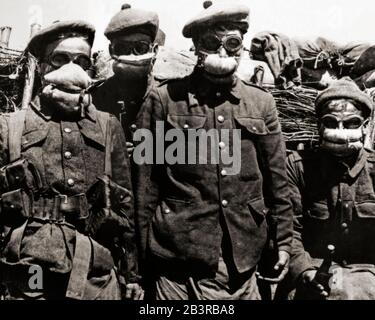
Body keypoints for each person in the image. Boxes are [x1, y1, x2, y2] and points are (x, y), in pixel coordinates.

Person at [136, 1, 293, 300]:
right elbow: (145, 187)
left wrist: (283, 241)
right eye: (212, 43)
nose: (223, 52)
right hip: (177, 262)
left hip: (242, 259)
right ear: (197, 46)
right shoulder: (164, 100)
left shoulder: (261, 103)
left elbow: (278, 183)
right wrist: (138, 265)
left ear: (242, 46)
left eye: (232, 44)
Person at [0, 20, 142, 300]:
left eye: (81, 61)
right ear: (41, 67)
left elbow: (124, 206)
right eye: (60, 59)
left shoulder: (107, 125)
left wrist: (131, 274)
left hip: (94, 272)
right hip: (28, 269)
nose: (71, 68)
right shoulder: (10, 126)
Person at [277, 78, 375, 300]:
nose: (340, 131)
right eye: (331, 122)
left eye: (351, 123)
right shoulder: (298, 166)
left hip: (368, 275)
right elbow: (288, 229)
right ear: (319, 125)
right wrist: (304, 271)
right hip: (315, 271)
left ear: (366, 126)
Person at [92, 4, 160, 158]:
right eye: (122, 48)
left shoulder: (168, 96)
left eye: (140, 48)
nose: (131, 55)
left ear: (154, 50)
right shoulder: (97, 97)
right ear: (111, 51)